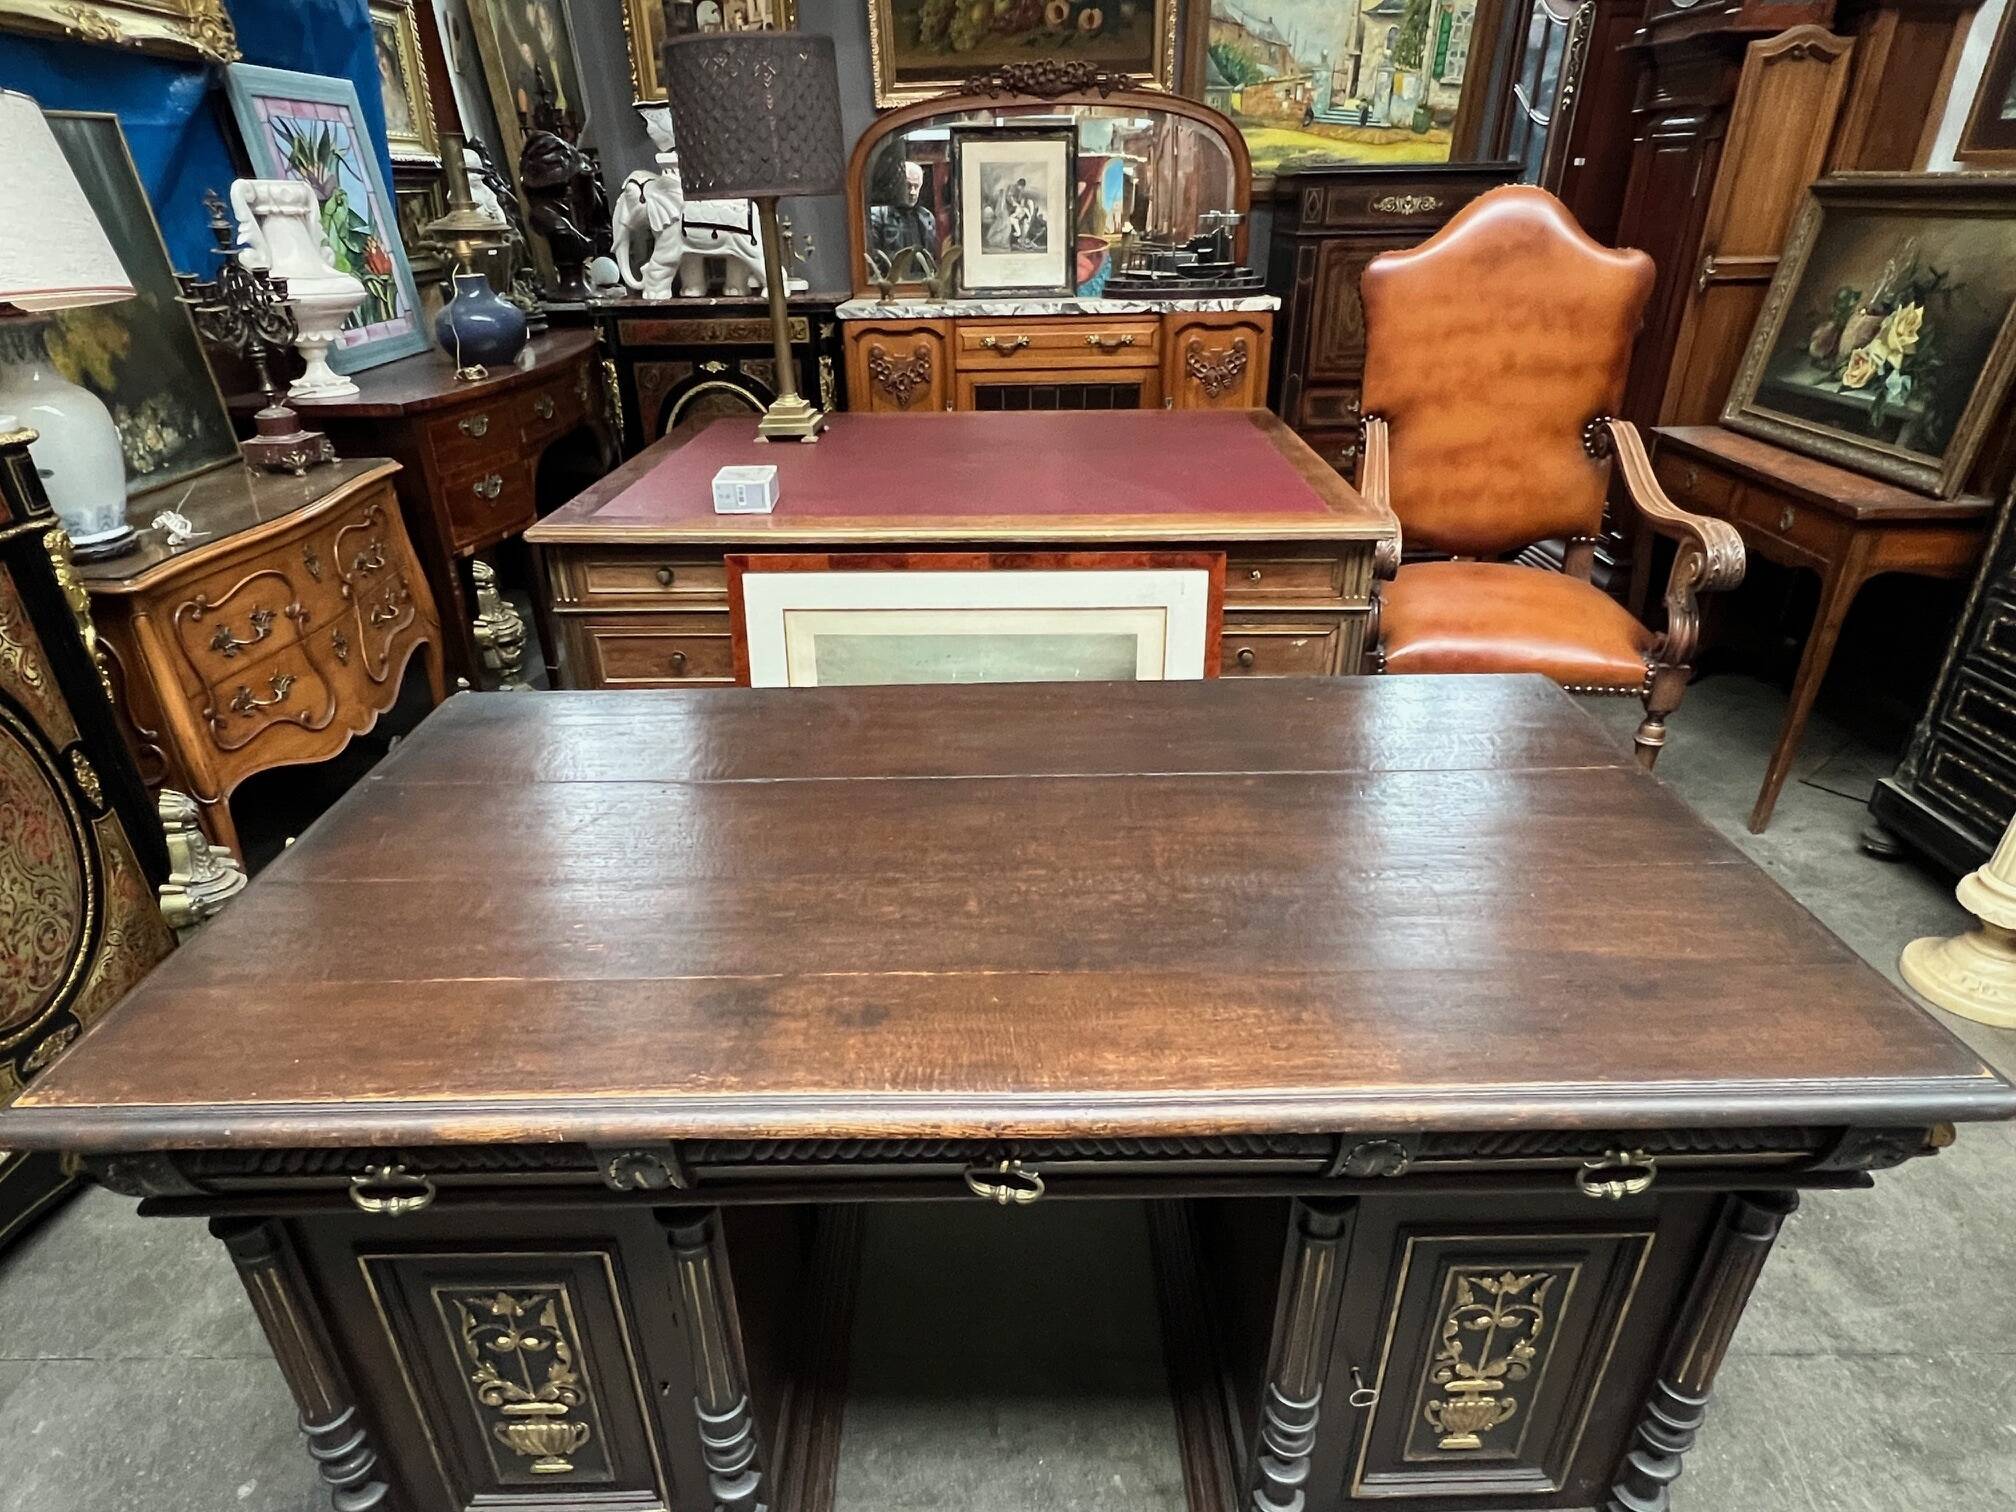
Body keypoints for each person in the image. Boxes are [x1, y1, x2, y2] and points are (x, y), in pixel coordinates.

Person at [868, 159, 937, 263]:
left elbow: (931, 256)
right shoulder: (878, 215)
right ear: (897, 185)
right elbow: (873, 257)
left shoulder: (926, 217)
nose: (913, 192)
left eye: (916, 186)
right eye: (908, 186)